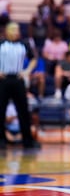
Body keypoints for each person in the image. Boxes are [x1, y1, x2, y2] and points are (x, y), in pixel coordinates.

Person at [0, 22, 41, 150]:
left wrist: (27, 71)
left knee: (23, 111)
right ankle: (1, 140)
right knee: (0, 110)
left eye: (17, 29)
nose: (16, 32)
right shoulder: (1, 43)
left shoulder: (25, 44)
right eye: (12, 29)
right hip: (3, 79)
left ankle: (27, 140)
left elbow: (34, 58)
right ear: (6, 31)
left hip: (18, 79)